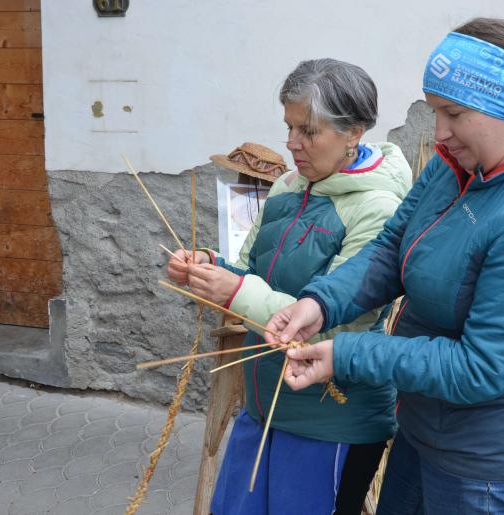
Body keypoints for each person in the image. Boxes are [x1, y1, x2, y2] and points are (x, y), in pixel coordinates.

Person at [265, 18, 504, 515]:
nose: (439, 132)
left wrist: (348, 354)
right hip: (423, 426)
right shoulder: (454, 163)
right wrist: (321, 301)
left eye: (453, 113)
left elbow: (479, 368)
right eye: (436, 110)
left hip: (487, 462)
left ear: (503, 104)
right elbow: (393, 247)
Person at [166, 58, 412, 515]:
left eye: (309, 131)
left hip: (331, 418)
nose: (292, 144)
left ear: (354, 132)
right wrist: (209, 268)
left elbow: (338, 332)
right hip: (263, 406)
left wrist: (234, 292)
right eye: (289, 127)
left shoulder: (379, 208)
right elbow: (247, 269)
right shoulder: (286, 185)